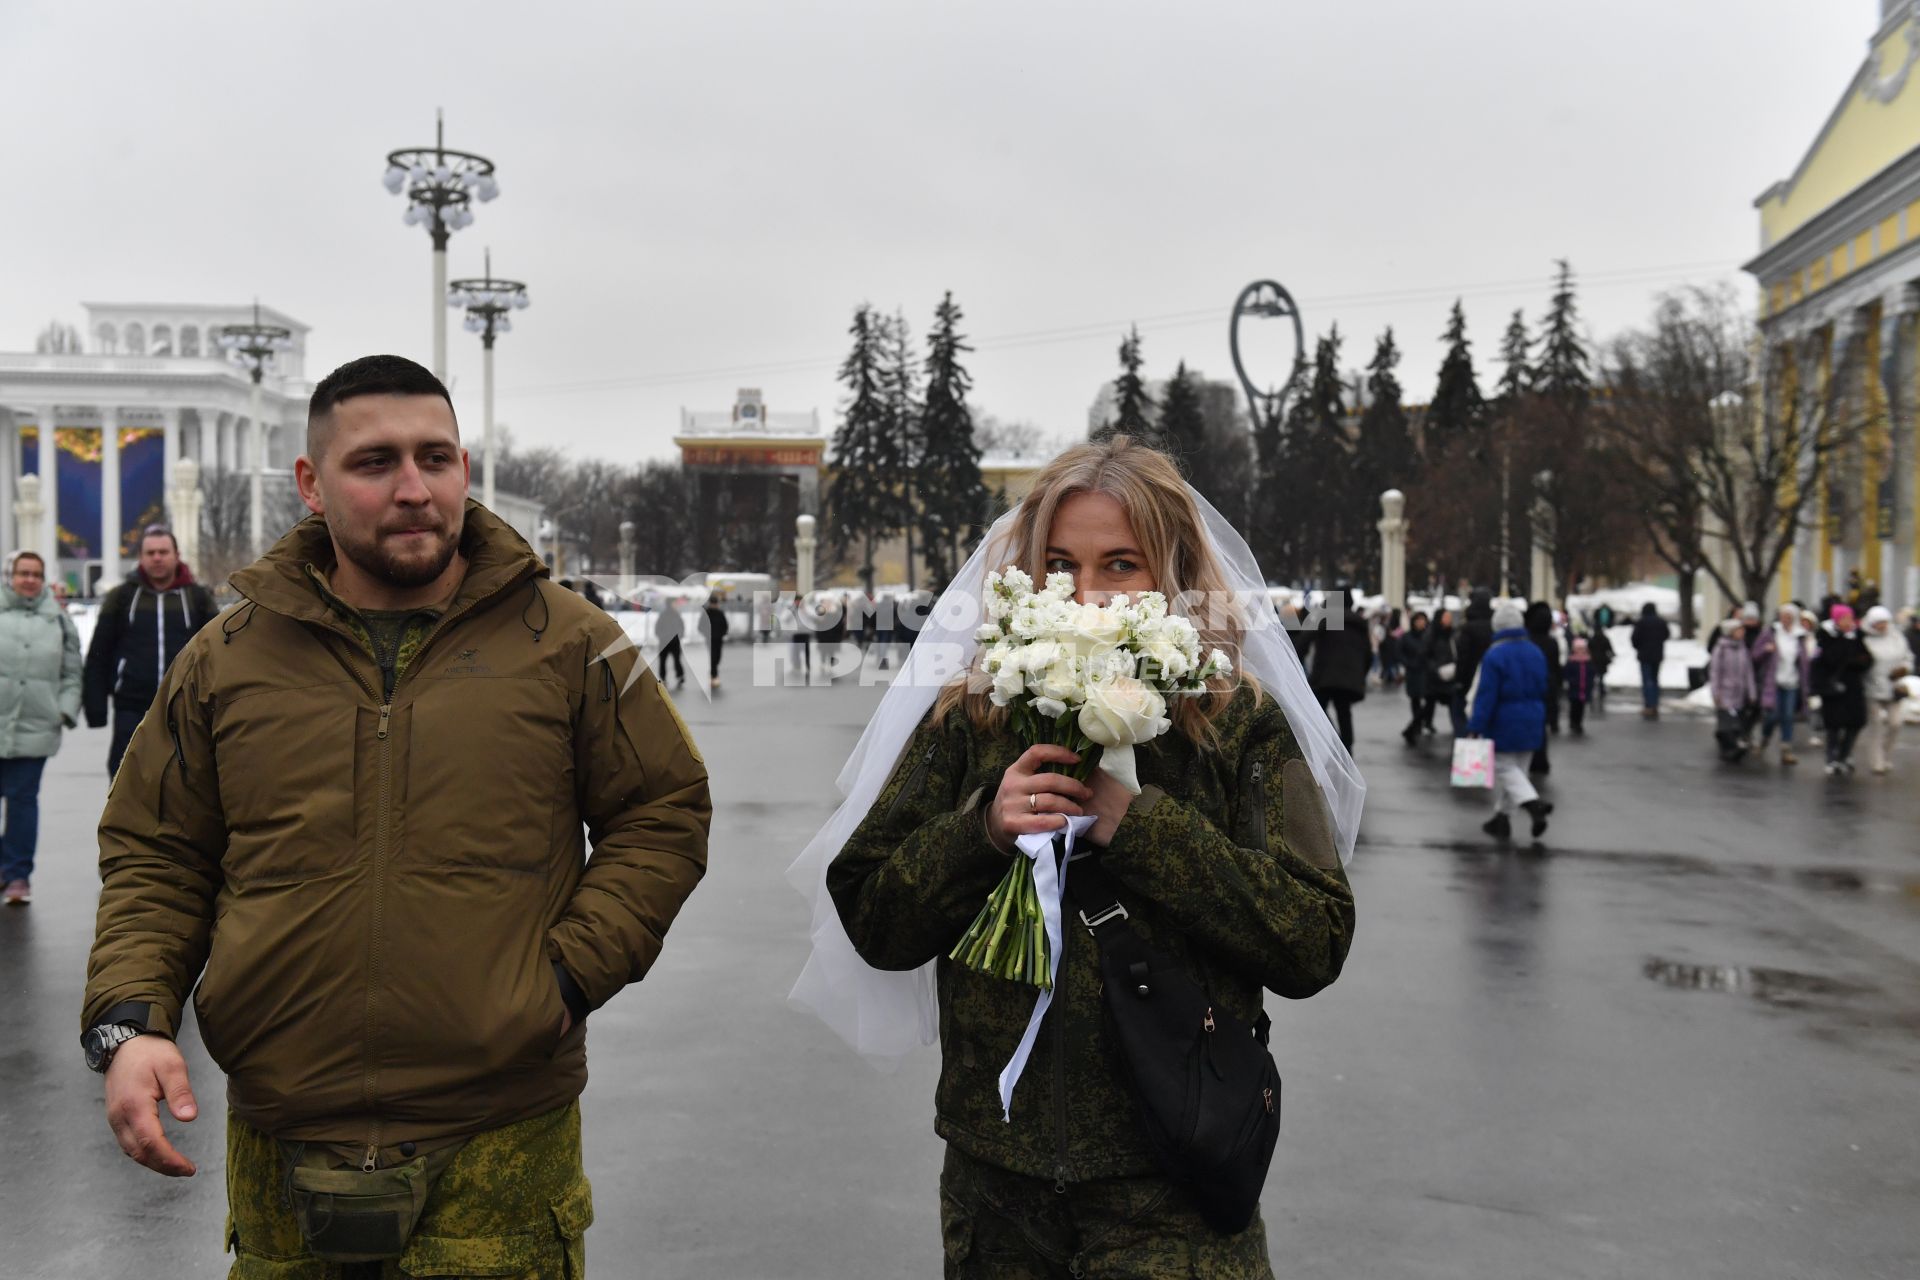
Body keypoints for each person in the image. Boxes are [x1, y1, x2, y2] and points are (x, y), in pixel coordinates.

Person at [80, 354, 712, 1274]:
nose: (415, 489)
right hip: (283, 1131)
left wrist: (564, 979)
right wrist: (134, 1022)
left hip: (499, 1134)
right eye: (376, 463)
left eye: (438, 458)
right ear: (311, 484)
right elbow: (156, 853)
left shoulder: (570, 641)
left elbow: (663, 809)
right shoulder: (225, 660)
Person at [808, 436, 1360, 1276]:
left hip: (1172, 1186)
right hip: (998, 1191)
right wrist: (981, 832)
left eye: (1122, 565)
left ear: (1171, 574)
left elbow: (1314, 935)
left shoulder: (1237, 725)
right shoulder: (975, 716)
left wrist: (1136, 826)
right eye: (1062, 565)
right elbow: (875, 914)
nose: (1090, 595)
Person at [82, 524, 217, 778]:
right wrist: (95, 705)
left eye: (163, 552)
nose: (157, 558)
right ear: (141, 558)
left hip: (186, 707)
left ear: (176, 556)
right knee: (125, 779)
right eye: (150, 552)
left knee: (185, 781)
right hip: (131, 707)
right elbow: (99, 651)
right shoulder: (121, 597)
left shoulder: (197, 599)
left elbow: (218, 653)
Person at [0, 550, 82, 905]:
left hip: (35, 727)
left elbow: (72, 671)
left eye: (35, 574)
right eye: (23, 573)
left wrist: (61, 711)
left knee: (21, 802)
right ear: (11, 576)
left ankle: (17, 875)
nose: (29, 579)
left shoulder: (59, 621)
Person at [1467, 601, 1553, 841]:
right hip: (1533, 716)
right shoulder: (1535, 651)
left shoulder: (1495, 655)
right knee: (1518, 771)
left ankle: (1533, 804)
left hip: (1505, 718)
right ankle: (1501, 820)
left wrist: (1476, 726)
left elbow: (1486, 694)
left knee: (1504, 766)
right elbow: (1544, 685)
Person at [1303, 589, 1371, 750]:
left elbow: (1305, 639)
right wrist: (1361, 675)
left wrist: (1294, 659)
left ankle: (1333, 740)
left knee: (1316, 709)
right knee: (1344, 712)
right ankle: (1347, 750)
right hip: (1349, 678)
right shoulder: (1359, 624)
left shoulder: (1327, 618)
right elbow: (1368, 654)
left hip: (1324, 676)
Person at [1811, 603, 1871, 775]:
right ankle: (1831, 758)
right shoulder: (1825, 637)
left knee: (1855, 723)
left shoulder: (1857, 637)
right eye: (1844, 619)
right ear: (1836, 620)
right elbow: (1822, 662)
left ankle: (1845, 755)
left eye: (1850, 618)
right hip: (1833, 688)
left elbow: (1867, 659)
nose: (1848, 622)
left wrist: (1859, 661)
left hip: (1853, 688)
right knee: (1833, 726)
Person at [1756, 603, 1812, 766]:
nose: (1786, 620)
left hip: (1792, 682)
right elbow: (1755, 654)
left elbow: (1804, 662)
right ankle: (1765, 737)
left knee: (1788, 716)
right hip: (1773, 682)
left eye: (1789, 617)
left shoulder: (1799, 636)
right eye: (1783, 616)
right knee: (1773, 715)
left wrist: (1806, 682)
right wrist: (1766, 650)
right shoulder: (1771, 633)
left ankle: (1786, 749)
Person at [1861, 604, 1911, 776]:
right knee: (1876, 725)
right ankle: (1877, 762)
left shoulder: (1895, 636)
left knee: (1895, 723)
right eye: (1879, 623)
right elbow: (1862, 664)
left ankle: (1886, 754)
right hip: (1872, 687)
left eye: (1885, 622)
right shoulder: (1865, 639)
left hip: (1894, 687)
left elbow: (1907, 656)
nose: (1882, 626)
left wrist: (1904, 668)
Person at [1708, 618, 1758, 762]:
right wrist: (1715, 692)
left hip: (1739, 693)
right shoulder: (1721, 649)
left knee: (1737, 724)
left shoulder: (1743, 649)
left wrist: (1751, 691)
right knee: (1726, 724)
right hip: (1725, 692)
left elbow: (1748, 672)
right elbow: (1715, 672)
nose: (1742, 633)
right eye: (1739, 630)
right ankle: (1728, 749)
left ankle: (1734, 748)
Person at [1524, 601, 1562, 775]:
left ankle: (1528, 758)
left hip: (1529, 686)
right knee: (1542, 724)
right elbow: (1555, 667)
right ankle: (1540, 759)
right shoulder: (1552, 642)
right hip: (1548, 685)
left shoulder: (1527, 642)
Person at [1453, 590, 1495, 733]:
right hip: (1489, 676)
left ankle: (1466, 740)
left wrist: (1459, 679)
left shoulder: (1468, 628)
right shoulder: (1494, 626)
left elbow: (1462, 656)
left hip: (1469, 675)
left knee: (1461, 711)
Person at [1631, 602, 1669, 718]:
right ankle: (1655, 704)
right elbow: (1666, 635)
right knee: (1655, 680)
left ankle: (1648, 705)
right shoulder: (1661, 622)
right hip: (1657, 655)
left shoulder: (1641, 623)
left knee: (1647, 681)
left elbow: (1634, 638)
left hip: (1645, 655)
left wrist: (1640, 647)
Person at [1400, 610, 1432, 744]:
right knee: (1415, 700)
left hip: (1427, 672)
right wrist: (1408, 664)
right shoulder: (1407, 637)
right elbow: (1400, 652)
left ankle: (1422, 723)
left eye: (1422, 619)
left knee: (1429, 701)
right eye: (1418, 620)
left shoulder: (1429, 636)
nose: (1420, 623)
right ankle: (1416, 724)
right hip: (1413, 673)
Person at [653, 590, 687, 686]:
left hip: (675, 642)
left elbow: (682, 626)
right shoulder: (663, 615)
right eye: (675, 603)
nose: (676, 605)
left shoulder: (677, 614)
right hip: (664, 642)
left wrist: (680, 635)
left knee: (677, 660)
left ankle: (680, 676)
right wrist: (663, 636)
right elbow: (657, 628)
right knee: (663, 661)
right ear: (670, 604)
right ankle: (663, 678)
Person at [1564, 636, 1595, 736]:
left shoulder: (1588, 661)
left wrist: (1590, 682)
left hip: (1584, 689)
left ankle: (1578, 723)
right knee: (1574, 707)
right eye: (1579, 649)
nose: (1581, 651)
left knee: (1581, 708)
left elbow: (1591, 673)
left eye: (1582, 649)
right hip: (1574, 689)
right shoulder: (1572, 661)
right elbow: (1566, 673)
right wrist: (1571, 681)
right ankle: (1573, 722)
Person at [701, 591, 730, 687]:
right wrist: (706, 634)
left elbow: (725, 625)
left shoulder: (720, 613)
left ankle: (713, 674)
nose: (714, 605)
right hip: (709, 639)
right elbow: (700, 626)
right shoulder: (706, 613)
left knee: (717, 658)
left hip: (719, 639)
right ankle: (714, 676)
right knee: (713, 658)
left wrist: (723, 633)